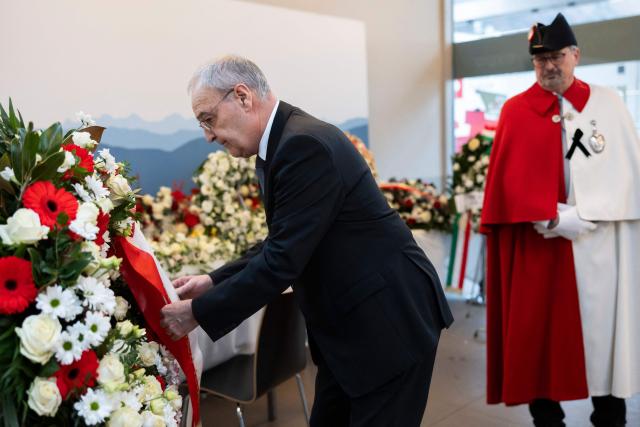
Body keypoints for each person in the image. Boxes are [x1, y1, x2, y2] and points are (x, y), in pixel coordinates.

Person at [159, 55, 453, 426]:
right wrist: (214, 280)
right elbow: (282, 240)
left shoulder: (303, 145)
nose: (208, 136)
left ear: (243, 97)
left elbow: (282, 260)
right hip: (350, 326)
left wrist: (197, 314)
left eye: (208, 119)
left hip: (388, 321)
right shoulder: (283, 141)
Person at [481, 13, 640, 427]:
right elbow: (505, 185)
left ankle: (610, 417)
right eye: (540, 59)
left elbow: (628, 173)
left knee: (603, 339)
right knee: (539, 336)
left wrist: (589, 211)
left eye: (556, 56)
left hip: (600, 248)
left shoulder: (609, 103)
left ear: (575, 56)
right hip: (540, 247)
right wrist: (548, 217)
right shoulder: (516, 111)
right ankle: (546, 419)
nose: (549, 66)